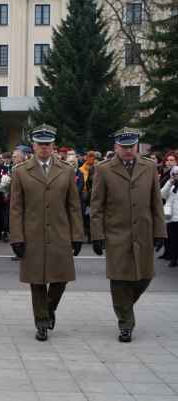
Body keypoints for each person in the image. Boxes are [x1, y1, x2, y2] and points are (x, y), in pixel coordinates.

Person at [90, 128, 166, 343]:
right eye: (123, 147)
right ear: (116, 147)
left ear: (137, 146)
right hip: (116, 233)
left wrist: (160, 231)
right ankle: (125, 323)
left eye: (131, 146)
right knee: (119, 279)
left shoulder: (149, 167)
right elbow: (97, 206)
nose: (128, 150)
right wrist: (97, 234)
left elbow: (156, 202)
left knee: (145, 276)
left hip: (143, 232)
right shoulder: (104, 169)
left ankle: (124, 306)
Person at [9, 124, 84, 342]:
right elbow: (16, 208)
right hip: (32, 234)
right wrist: (17, 237)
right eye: (40, 144)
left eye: (47, 144)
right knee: (37, 282)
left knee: (61, 279)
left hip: (60, 233)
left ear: (53, 146)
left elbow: (73, 206)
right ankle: (41, 322)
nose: (44, 148)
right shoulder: (21, 171)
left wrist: (77, 235)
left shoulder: (66, 170)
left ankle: (49, 309)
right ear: (33, 146)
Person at [161, 166, 178, 268]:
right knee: (172, 239)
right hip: (172, 218)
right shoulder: (171, 186)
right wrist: (169, 183)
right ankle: (173, 258)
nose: (176, 176)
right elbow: (162, 195)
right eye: (174, 174)